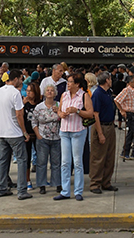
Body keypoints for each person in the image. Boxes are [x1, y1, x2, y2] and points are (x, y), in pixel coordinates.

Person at [0, 69, 32, 199]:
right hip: (14, 132)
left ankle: (1, 187)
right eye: (20, 79)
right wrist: (24, 132)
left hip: (1, 131)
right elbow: (19, 114)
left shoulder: (0, 91)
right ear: (15, 79)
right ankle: (22, 190)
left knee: (2, 160)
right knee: (22, 160)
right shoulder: (15, 93)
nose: (21, 81)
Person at [55, 73, 93, 201]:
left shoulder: (84, 95)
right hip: (64, 130)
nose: (68, 84)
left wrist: (76, 111)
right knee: (65, 162)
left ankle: (78, 191)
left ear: (77, 84)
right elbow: (59, 110)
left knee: (77, 162)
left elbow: (90, 113)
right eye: (68, 82)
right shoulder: (64, 95)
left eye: (71, 82)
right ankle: (65, 191)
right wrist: (62, 114)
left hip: (78, 131)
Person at [33, 82, 62, 195]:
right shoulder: (39, 107)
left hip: (56, 138)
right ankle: (42, 184)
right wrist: (38, 135)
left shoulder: (59, 105)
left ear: (55, 93)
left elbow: (64, 118)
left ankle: (57, 183)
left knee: (56, 162)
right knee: (41, 162)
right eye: (47, 90)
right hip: (43, 137)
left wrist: (58, 112)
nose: (49, 92)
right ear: (44, 93)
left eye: (52, 90)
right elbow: (33, 121)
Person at [115, 75, 134, 160]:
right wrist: (122, 110)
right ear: (130, 83)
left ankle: (125, 152)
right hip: (129, 114)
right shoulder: (126, 90)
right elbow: (117, 100)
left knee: (131, 134)